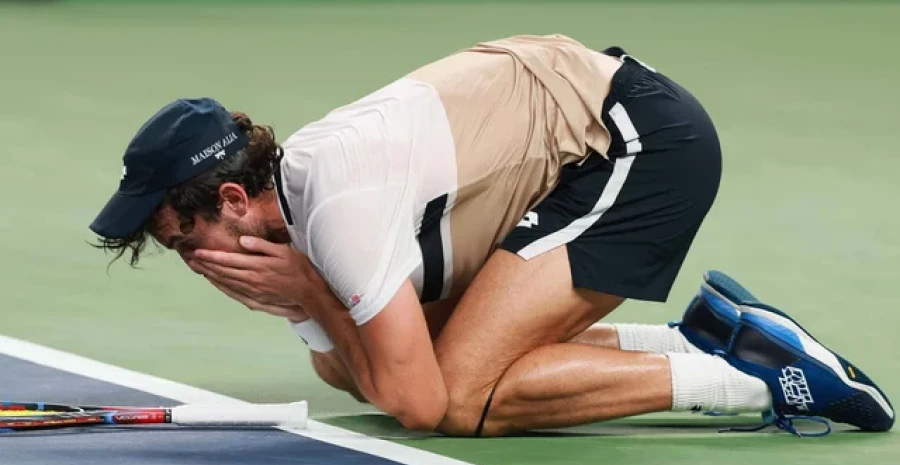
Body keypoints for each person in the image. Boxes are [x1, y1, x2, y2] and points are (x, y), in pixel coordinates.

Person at [90, 35, 893, 436]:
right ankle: (699, 337)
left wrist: (308, 292)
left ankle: (762, 379)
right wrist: (307, 300)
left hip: (635, 144)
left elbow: (418, 403)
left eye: (181, 238)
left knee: (465, 395)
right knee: (409, 362)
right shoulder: (295, 208)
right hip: (566, 141)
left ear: (232, 198)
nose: (188, 262)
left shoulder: (336, 204)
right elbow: (345, 371)